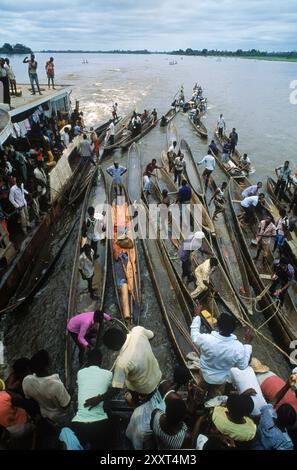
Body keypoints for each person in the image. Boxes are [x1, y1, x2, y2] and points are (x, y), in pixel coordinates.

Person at [84, 326, 162, 409]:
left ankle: (134, 402)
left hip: (144, 388)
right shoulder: (138, 330)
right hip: (157, 374)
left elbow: (116, 390)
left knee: (129, 384)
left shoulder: (122, 363)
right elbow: (152, 335)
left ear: (115, 347)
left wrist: (98, 399)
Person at [190, 304, 253, 393]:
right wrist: (247, 344)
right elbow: (243, 366)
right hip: (220, 380)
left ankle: (202, 389)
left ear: (217, 325)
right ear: (233, 330)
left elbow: (194, 336)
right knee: (216, 392)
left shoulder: (207, 339)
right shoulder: (238, 348)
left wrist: (197, 316)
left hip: (204, 374)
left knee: (202, 387)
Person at [126, 366, 191, 450]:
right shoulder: (175, 399)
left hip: (139, 412)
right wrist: (190, 394)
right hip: (146, 424)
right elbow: (187, 412)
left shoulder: (164, 382)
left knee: (133, 433)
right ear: (184, 382)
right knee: (140, 440)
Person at [69, 350, 112, 450]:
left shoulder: (80, 373)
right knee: (107, 404)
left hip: (79, 424)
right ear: (100, 361)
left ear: (87, 361)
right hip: (99, 424)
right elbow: (110, 390)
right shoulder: (108, 374)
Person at [22, 350, 72, 426]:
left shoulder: (26, 380)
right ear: (47, 365)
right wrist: (69, 394)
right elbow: (66, 405)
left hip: (45, 415)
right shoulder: (56, 385)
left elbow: (29, 399)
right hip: (60, 417)